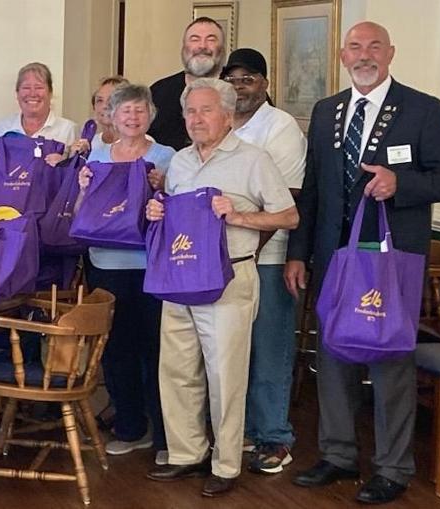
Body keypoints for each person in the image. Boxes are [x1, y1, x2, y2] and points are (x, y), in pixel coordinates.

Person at [286, 22, 440, 504]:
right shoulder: (327, 112)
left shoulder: (422, 108)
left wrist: (400, 184)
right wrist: (299, 253)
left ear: (390, 53)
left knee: (390, 363)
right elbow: (316, 191)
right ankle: (339, 455)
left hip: (390, 261)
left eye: (374, 47)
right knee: (334, 355)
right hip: (333, 259)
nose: (364, 55)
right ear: (343, 57)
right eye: (355, 48)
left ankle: (393, 467)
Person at [144, 78, 297, 497]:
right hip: (179, 277)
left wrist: (239, 217)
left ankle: (226, 463)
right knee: (176, 370)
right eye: (190, 111)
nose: (196, 119)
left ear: (227, 116)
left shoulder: (254, 160)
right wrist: (157, 210)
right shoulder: (178, 162)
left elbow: (288, 216)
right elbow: (175, 214)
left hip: (229, 278)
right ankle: (185, 454)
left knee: (225, 376)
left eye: (205, 110)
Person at [73, 83, 174, 464]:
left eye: (139, 110)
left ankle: (165, 436)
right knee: (116, 351)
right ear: (111, 116)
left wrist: (163, 186)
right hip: (105, 263)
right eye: (124, 110)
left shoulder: (167, 156)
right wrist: (83, 188)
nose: (132, 117)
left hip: (151, 266)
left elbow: (177, 208)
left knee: (157, 351)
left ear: (150, 115)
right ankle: (131, 428)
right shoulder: (97, 155)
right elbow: (84, 213)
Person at [220, 47, 307, 474]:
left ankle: (275, 437)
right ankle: (240, 434)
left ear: (265, 84)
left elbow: (287, 198)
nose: (240, 87)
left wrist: (248, 251)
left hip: (266, 258)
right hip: (220, 260)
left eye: (248, 79)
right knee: (232, 351)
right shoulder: (219, 125)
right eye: (232, 80)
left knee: (270, 351)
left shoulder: (281, 127)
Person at [148, 17, 226, 150]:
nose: (202, 46)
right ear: (184, 47)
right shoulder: (158, 92)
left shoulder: (240, 91)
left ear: (222, 49)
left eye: (211, 39)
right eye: (195, 39)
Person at [0, 62, 77, 165]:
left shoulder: (68, 130)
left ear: (50, 93)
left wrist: (65, 165)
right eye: (26, 88)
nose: (32, 94)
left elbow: (77, 172)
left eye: (39, 88)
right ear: (17, 94)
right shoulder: (3, 127)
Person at [69, 76, 129, 155]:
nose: (105, 106)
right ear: (94, 107)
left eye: (112, 100)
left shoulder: (141, 143)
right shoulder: (90, 144)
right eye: (100, 100)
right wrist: (75, 159)